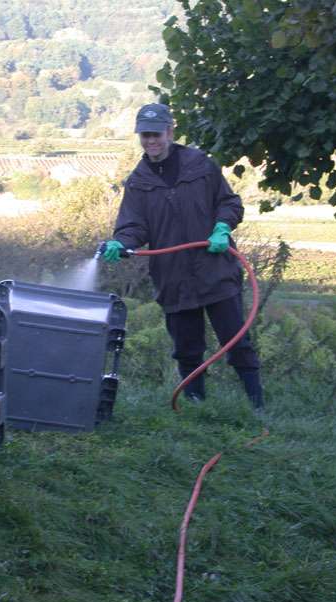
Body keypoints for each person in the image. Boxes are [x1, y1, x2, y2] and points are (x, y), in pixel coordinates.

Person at [103, 102, 264, 412]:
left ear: (170, 131)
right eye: (145, 135)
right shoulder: (137, 182)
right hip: (173, 277)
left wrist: (221, 227)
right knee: (187, 350)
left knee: (237, 342)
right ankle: (195, 407)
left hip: (216, 269)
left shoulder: (200, 165)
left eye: (156, 134)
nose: (150, 141)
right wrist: (120, 243)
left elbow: (230, 203)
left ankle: (257, 407)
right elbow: (133, 227)